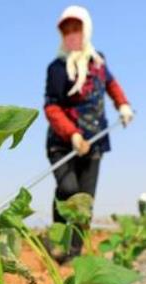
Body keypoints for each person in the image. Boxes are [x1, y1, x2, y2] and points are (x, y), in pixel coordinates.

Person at [45, 5, 134, 258]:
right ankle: (58, 240)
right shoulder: (57, 68)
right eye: (67, 30)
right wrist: (72, 134)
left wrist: (123, 105)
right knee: (68, 189)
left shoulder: (98, 61)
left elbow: (112, 84)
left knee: (85, 200)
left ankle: (74, 252)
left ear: (86, 30)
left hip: (94, 142)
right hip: (62, 143)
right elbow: (51, 106)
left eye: (77, 29)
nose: (72, 34)